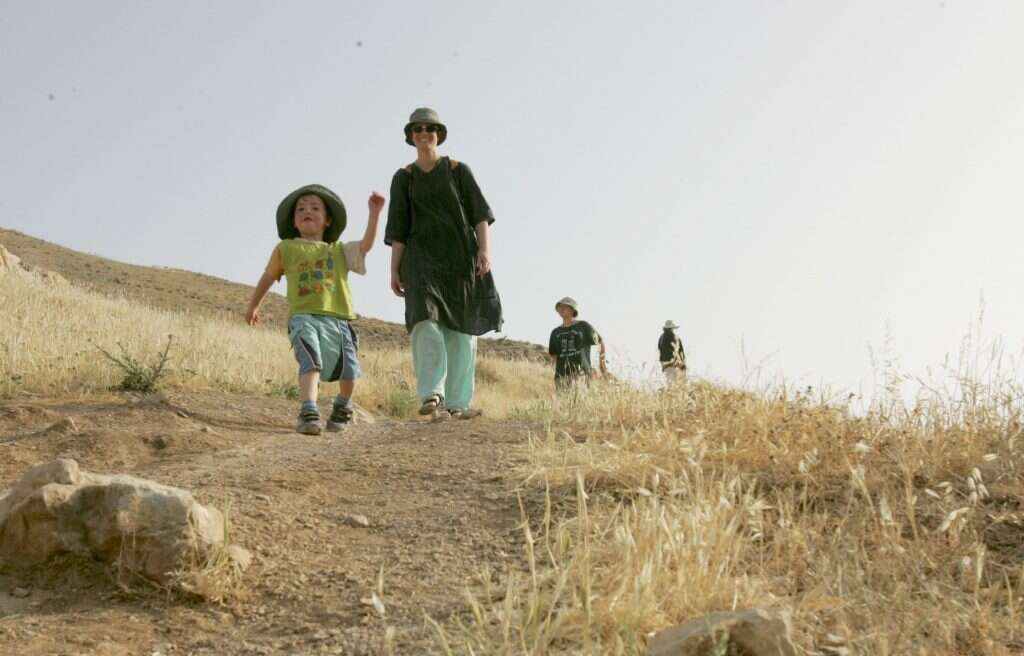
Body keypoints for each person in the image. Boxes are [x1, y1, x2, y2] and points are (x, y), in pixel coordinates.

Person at [384, 107, 503, 420]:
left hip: (460, 257)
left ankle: (458, 402)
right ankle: (431, 394)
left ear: (438, 134)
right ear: (410, 137)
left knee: (461, 330)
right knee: (424, 321)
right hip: (420, 259)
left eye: (430, 128)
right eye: (417, 129)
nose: (424, 134)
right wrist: (394, 268)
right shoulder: (404, 178)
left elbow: (479, 214)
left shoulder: (457, 170)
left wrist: (485, 251)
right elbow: (398, 228)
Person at [247, 184, 384, 435]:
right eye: (300, 209)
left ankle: (342, 406)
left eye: (314, 208)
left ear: (328, 220)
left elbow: (365, 246)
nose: (306, 211)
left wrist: (374, 215)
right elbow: (268, 277)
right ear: (294, 222)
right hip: (303, 317)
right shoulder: (286, 248)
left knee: (350, 373)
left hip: (338, 319)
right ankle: (308, 410)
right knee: (311, 361)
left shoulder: (338, 250)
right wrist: (254, 305)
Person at [548, 297, 606, 390]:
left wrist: (601, 365)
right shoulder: (555, 332)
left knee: (581, 403)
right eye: (559, 307)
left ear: (572, 310)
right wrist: (560, 372)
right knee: (564, 404)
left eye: (565, 306)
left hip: (581, 375)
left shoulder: (583, 326)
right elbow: (554, 355)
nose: (561, 309)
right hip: (561, 378)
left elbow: (600, 342)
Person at [658, 320, 687, 384]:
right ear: (672, 328)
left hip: (665, 365)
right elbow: (679, 352)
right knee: (678, 384)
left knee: (670, 383)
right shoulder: (674, 337)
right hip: (675, 364)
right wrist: (682, 363)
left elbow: (659, 350)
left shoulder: (661, 338)